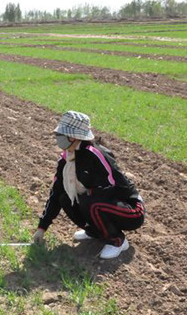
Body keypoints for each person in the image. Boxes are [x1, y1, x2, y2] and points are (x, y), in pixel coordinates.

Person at [32, 111, 145, 259]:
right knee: (64, 197)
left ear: (73, 136)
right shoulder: (66, 160)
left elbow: (114, 188)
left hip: (129, 210)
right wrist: (42, 227)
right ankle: (95, 231)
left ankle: (118, 241)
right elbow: (55, 193)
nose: (58, 137)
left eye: (61, 134)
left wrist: (87, 197)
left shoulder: (96, 155)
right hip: (100, 204)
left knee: (90, 200)